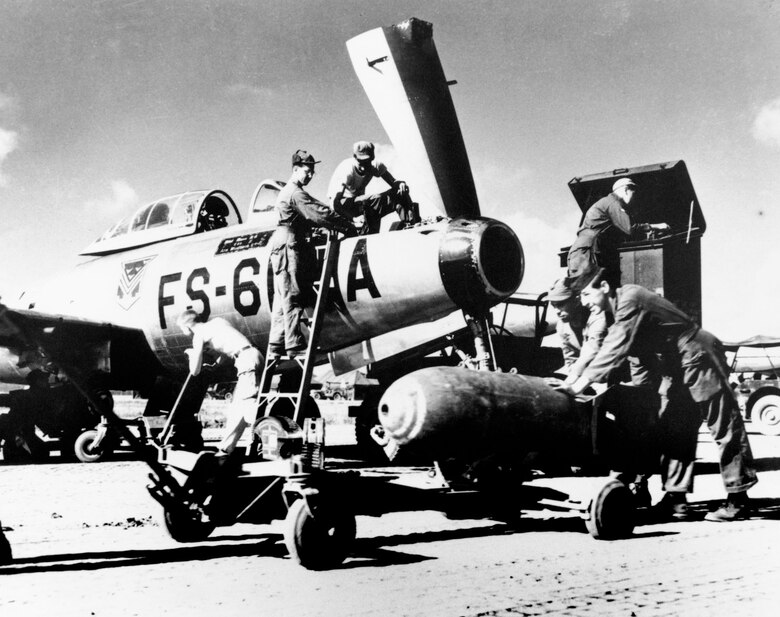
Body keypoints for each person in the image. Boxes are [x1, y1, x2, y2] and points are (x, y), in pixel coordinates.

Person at [561, 268, 758, 521]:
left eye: (587, 293)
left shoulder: (630, 298)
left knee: (723, 425)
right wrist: (571, 379)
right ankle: (677, 501)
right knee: (674, 427)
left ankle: (739, 500)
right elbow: (606, 349)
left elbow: (614, 348)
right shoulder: (614, 314)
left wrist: (577, 387)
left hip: (698, 353)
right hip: (675, 364)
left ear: (605, 287)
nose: (585, 301)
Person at [268, 150, 356, 358]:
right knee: (293, 295)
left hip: (283, 241)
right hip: (290, 243)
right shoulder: (295, 193)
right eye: (308, 171)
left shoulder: (289, 192)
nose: (310, 175)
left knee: (282, 298)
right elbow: (319, 212)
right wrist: (349, 227)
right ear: (296, 169)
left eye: (312, 172)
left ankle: (276, 344)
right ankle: (294, 344)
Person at [177, 309, 261, 456]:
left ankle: (276, 437)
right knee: (238, 407)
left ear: (186, 327)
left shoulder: (198, 336)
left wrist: (191, 354)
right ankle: (226, 449)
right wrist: (215, 365)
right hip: (254, 355)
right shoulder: (218, 322)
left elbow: (194, 371)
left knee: (249, 408)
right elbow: (231, 347)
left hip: (246, 362)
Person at [567, 177, 670, 287]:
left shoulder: (606, 202)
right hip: (588, 251)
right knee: (587, 289)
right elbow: (630, 229)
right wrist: (657, 226)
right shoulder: (613, 203)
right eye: (633, 192)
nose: (634, 197)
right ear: (626, 190)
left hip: (584, 250)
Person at [327, 141, 420, 235]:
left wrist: (400, 184)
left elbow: (394, 183)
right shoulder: (346, 170)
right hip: (342, 207)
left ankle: (412, 224)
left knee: (398, 192)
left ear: (372, 158)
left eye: (366, 163)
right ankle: (364, 232)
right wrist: (353, 219)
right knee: (369, 201)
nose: (363, 168)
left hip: (363, 205)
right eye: (361, 162)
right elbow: (334, 203)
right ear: (355, 157)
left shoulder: (374, 166)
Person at [546, 277, 611, 385]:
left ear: (576, 300)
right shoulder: (562, 325)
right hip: (581, 372)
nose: (557, 311)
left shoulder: (597, 318)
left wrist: (572, 383)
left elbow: (593, 351)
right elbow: (570, 360)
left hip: (606, 373)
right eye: (554, 305)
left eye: (561, 304)